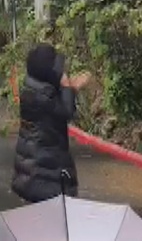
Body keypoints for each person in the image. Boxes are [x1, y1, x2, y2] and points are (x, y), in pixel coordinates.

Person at [11, 43, 91, 203]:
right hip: (45, 176)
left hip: (32, 172)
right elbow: (66, 112)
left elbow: (55, 107)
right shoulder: (43, 97)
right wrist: (69, 87)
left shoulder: (33, 89)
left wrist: (70, 89)